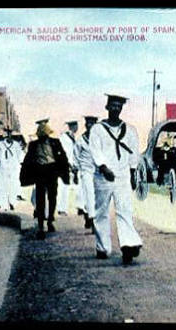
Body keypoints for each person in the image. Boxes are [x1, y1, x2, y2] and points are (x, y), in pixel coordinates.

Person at [89, 94, 143, 265]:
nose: (115, 109)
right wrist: (103, 167)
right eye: (112, 106)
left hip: (122, 176)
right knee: (101, 211)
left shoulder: (130, 130)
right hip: (103, 176)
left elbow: (134, 152)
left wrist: (133, 173)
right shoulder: (97, 129)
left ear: (121, 109)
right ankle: (103, 247)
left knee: (124, 210)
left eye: (118, 106)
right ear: (107, 107)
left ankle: (128, 245)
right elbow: (95, 150)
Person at [20, 119, 69, 240]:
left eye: (45, 135)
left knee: (52, 197)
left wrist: (64, 174)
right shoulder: (33, 145)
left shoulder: (55, 143)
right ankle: (41, 226)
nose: (43, 137)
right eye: (41, 135)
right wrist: (26, 175)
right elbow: (28, 160)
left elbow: (63, 158)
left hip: (52, 172)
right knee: (40, 199)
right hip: (40, 172)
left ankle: (50, 220)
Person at [74, 115, 98, 231]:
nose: (90, 126)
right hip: (86, 170)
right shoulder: (81, 140)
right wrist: (79, 170)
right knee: (88, 195)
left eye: (92, 124)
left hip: (98, 171)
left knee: (97, 196)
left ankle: (91, 216)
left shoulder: (99, 139)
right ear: (86, 125)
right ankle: (92, 219)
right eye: (88, 124)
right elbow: (76, 156)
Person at [57, 120, 82, 216]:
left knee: (78, 186)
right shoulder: (64, 138)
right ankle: (61, 208)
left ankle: (80, 207)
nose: (77, 128)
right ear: (71, 126)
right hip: (65, 165)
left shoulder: (73, 137)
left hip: (74, 165)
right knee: (63, 187)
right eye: (75, 125)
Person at [0, 127, 24, 211]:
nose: (8, 137)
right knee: (3, 186)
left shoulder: (16, 145)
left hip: (14, 168)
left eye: (10, 135)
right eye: (6, 135)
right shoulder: (0, 145)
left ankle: (12, 203)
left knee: (13, 186)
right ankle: (4, 204)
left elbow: (20, 157)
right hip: (3, 169)